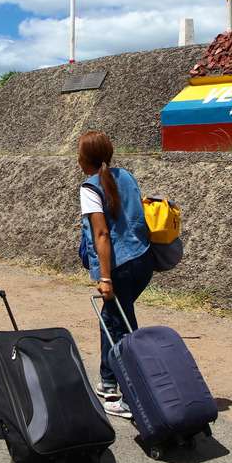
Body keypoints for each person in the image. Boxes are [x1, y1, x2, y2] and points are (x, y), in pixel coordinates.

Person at [77, 131, 154, 419]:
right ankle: (108, 380)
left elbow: (101, 235)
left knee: (117, 327)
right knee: (113, 320)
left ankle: (120, 392)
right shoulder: (126, 176)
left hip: (118, 267)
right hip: (142, 259)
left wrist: (105, 277)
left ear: (85, 159)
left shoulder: (90, 188)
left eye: (79, 153)